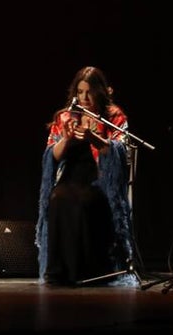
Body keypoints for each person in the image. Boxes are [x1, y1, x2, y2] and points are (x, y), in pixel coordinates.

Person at [36, 66, 135, 286]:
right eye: (80, 92)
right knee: (57, 198)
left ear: (100, 91)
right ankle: (59, 271)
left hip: (100, 180)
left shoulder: (113, 116)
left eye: (89, 92)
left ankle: (88, 270)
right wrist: (67, 139)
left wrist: (95, 138)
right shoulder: (65, 116)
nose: (84, 97)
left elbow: (120, 152)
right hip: (70, 178)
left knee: (86, 201)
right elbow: (51, 155)